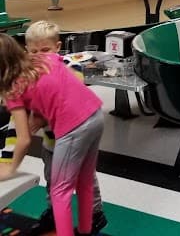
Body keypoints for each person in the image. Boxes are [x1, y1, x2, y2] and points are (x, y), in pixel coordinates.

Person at [0, 28, 105, 236]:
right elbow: (68, 78)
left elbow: (22, 138)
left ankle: (80, 226)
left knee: (60, 191)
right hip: (95, 114)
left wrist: (9, 168)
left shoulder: (13, 89)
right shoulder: (44, 59)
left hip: (73, 127)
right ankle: (86, 229)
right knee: (83, 180)